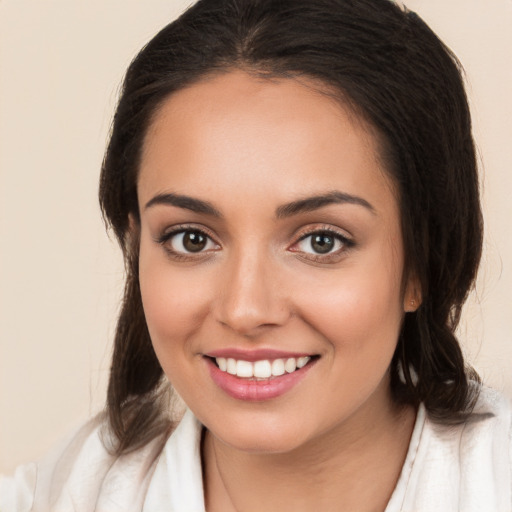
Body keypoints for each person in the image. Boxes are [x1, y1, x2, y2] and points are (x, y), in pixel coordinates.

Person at [1, 0, 511, 510]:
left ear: (421, 261)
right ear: (137, 247)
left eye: (321, 241)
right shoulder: (61, 495)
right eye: (191, 239)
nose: (245, 309)